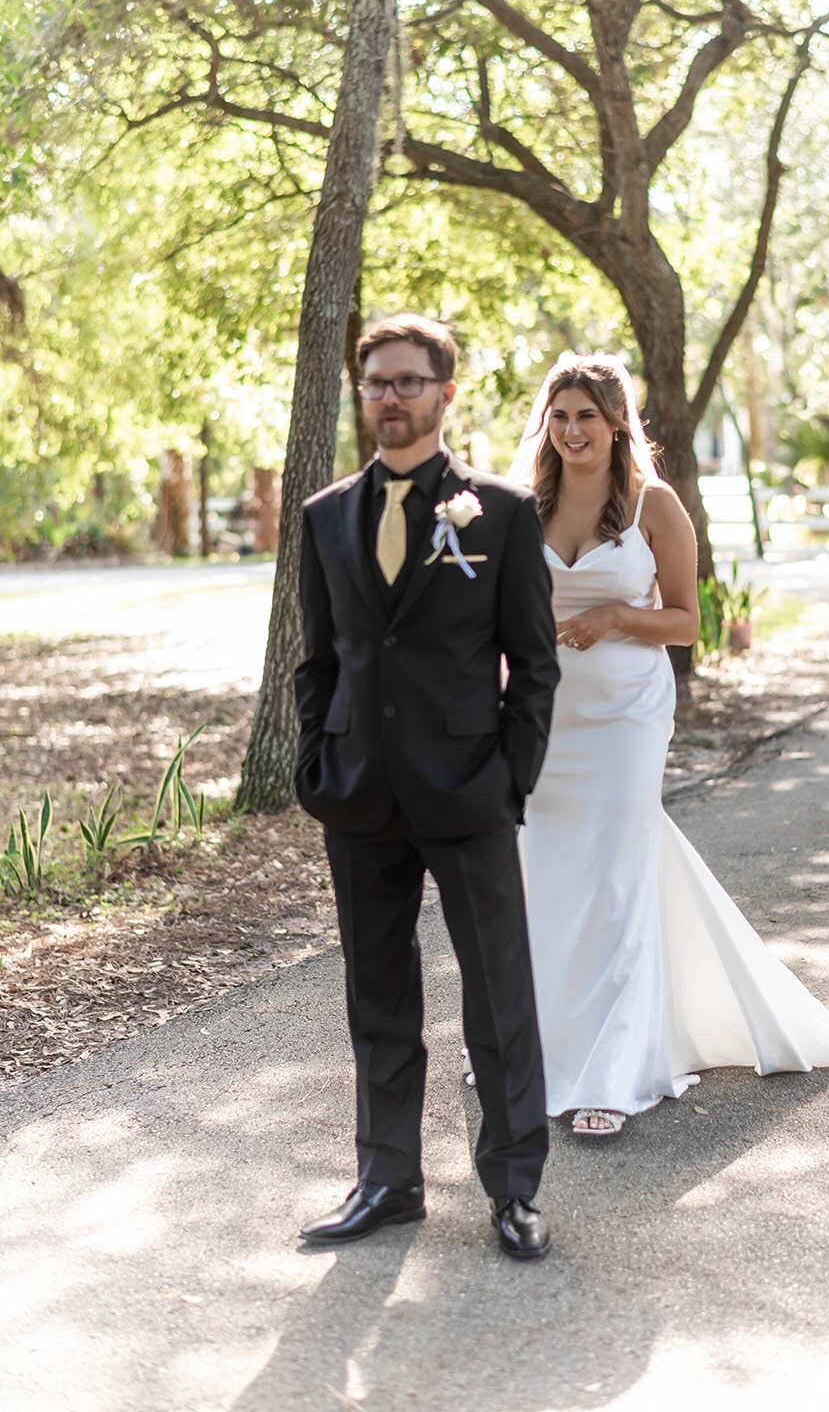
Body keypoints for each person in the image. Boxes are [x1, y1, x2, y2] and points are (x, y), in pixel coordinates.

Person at [510, 353, 829, 1137]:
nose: (573, 430)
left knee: (615, 872)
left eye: (588, 416)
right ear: (547, 424)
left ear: (616, 424)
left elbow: (685, 623)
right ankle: (544, 1044)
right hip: (545, 718)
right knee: (551, 874)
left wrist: (612, 618)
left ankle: (615, 1069)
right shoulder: (523, 507)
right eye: (560, 415)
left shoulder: (654, 506)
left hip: (627, 717)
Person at [293, 313, 559, 1258]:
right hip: (359, 792)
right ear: (361, 394)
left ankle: (515, 1189)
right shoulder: (324, 516)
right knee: (378, 997)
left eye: (409, 382)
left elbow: (533, 664)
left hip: (468, 790)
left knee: (499, 997)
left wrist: (508, 779)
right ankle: (386, 1181)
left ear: (447, 393)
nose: (390, 398)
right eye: (376, 383)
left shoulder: (503, 512)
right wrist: (314, 765)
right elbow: (318, 659)